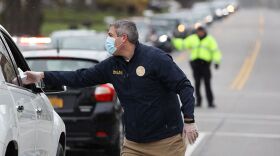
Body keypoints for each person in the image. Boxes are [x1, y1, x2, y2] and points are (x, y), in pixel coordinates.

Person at [24, 20, 198, 156]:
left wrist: (189, 120)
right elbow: (80, 76)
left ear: (123, 39)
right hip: (133, 143)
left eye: (110, 35)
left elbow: (184, 86)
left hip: (165, 142)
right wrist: (42, 75)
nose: (107, 39)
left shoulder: (156, 59)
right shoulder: (113, 65)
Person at [184, 26, 222, 108]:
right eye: (198, 31)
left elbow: (215, 51)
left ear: (204, 32)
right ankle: (198, 102)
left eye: (201, 31)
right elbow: (183, 44)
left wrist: (217, 61)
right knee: (197, 84)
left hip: (205, 65)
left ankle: (210, 102)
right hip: (195, 64)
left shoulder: (210, 40)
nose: (200, 33)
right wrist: (174, 40)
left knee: (207, 84)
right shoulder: (192, 38)